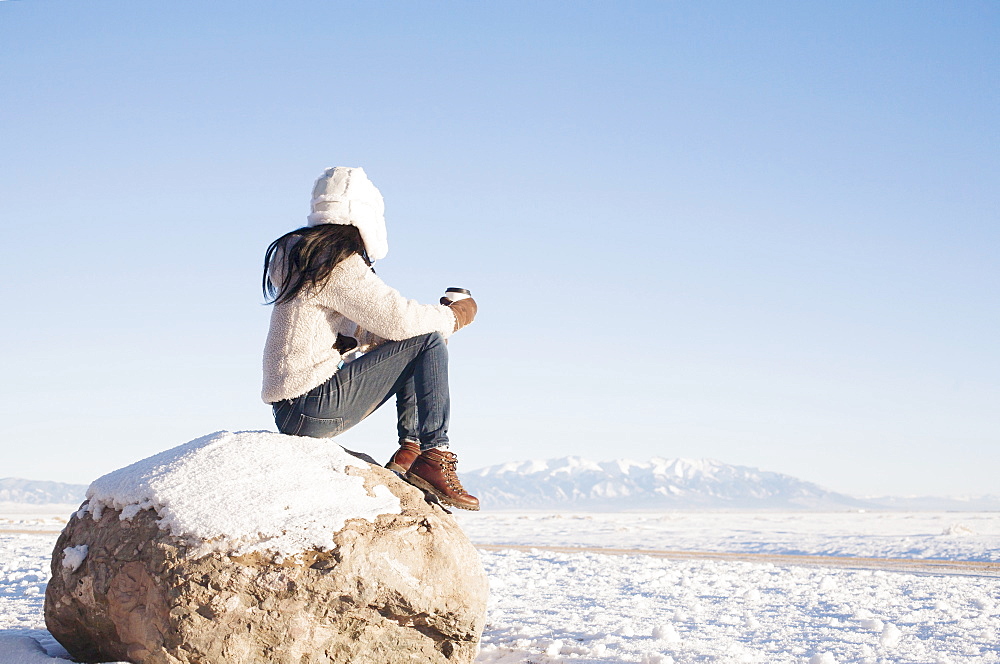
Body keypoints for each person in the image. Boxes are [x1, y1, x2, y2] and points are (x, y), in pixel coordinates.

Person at [261, 166, 480, 511]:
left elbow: (367, 330)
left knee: (418, 340)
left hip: (294, 408)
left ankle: (411, 453)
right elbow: (398, 319)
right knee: (427, 339)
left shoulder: (307, 257)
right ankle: (434, 453)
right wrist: (455, 316)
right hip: (310, 405)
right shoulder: (333, 262)